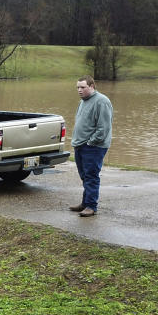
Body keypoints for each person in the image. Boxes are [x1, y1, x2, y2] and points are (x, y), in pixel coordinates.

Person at [69, 75, 113, 217]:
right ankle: (85, 202)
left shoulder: (102, 102)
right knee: (85, 176)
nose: (79, 90)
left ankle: (91, 206)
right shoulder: (83, 101)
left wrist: (91, 142)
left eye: (83, 87)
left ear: (92, 87)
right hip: (80, 145)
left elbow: (103, 128)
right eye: (78, 87)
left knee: (91, 176)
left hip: (94, 147)